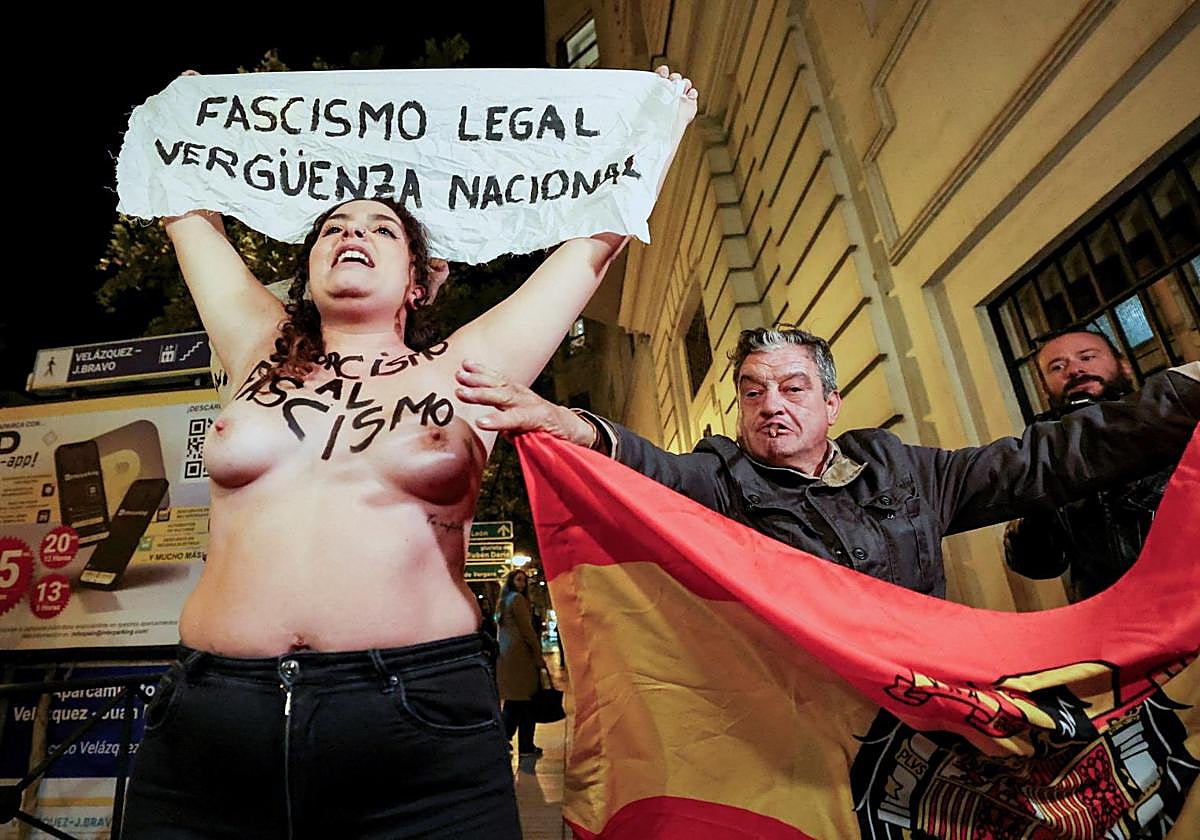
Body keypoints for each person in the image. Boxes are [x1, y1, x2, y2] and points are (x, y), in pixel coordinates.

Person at [121, 68, 698, 839]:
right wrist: (185, 109)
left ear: (419, 283)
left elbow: (593, 247)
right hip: (212, 727)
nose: (351, 233)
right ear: (308, 267)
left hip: (416, 732)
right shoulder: (257, 349)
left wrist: (651, 123)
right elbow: (185, 209)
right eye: (333, 227)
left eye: (381, 228)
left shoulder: (467, 367)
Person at [455, 326, 1198, 597]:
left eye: (792, 386)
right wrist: (567, 424)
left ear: (832, 403)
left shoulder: (907, 471)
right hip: (804, 730)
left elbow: (1043, 461)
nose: (771, 403)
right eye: (753, 391)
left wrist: (1180, 397)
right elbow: (652, 467)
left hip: (926, 708)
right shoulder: (719, 481)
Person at [1003, 328, 1178, 601]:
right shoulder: (1048, 453)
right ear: (1045, 387)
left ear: (1124, 366)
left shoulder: (1173, 423)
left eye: (1087, 357)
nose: (1074, 370)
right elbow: (1035, 563)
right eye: (1057, 366)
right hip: (1114, 624)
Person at [496, 569, 546, 756]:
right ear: (511, 581)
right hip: (521, 656)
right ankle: (524, 746)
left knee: (514, 703)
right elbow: (527, 630)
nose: (522, 584)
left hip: (507, 657)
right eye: (518, 580)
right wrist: (537, 655)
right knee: (526, 703)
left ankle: (503, 740)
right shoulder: (517, 600)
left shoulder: (503, 601)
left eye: (524, 580)